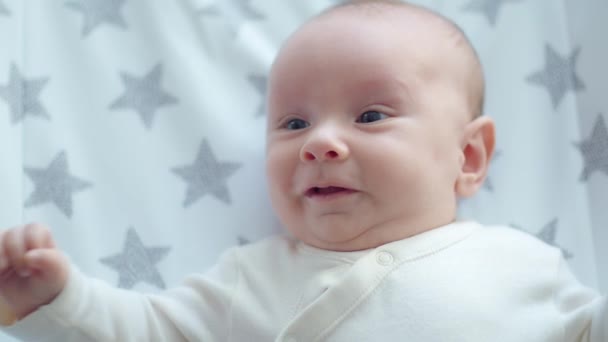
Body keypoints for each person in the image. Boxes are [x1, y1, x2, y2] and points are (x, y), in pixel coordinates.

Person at [0, 0, 605, 340]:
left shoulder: (523, 267)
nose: (320, 143)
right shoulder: (251, 281)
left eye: (370, 115)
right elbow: (144, 331)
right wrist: (55, 298)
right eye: (293, 125)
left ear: (468, 157)